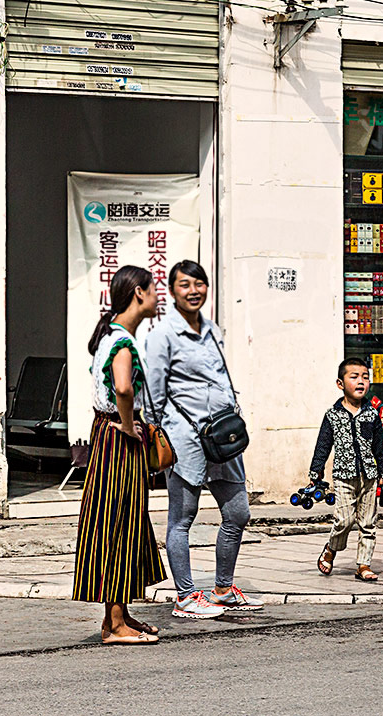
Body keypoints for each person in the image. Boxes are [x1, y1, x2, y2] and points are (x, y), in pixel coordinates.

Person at [143, 260, 260, 620]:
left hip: (222, 436)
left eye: (199, 283)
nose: (193, 290)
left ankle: (223, 588)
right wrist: (163, 434)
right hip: (185, 439)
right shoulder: (162, 335)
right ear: (172, 291)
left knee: (238, 512)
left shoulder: (212, 330)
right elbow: (153, 395)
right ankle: (185, 596)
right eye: (184, 285)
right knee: (182, 518)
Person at [73, 265, 168, 645]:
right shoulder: (123, 343)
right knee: (119, 522)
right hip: (118, 440)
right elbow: (124, 388)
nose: (157, 295)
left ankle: (119, 616)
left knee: (120, 522)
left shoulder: (110, 335)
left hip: (105, 435)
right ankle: (115, 626)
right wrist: (130, 427)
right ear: (139, 294)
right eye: (153, 288)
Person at [309, 357, 383, 582]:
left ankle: (363, 565)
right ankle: (330, 549)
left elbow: (380, 447)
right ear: (340, 383)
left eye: (365, 377)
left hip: (369, 477)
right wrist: (315, 474)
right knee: (344, 521)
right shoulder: (332, 415)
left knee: (368, 523)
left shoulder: (372, 414)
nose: (361, 382)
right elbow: (323, 446)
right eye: (354, 377)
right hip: (343, 477)